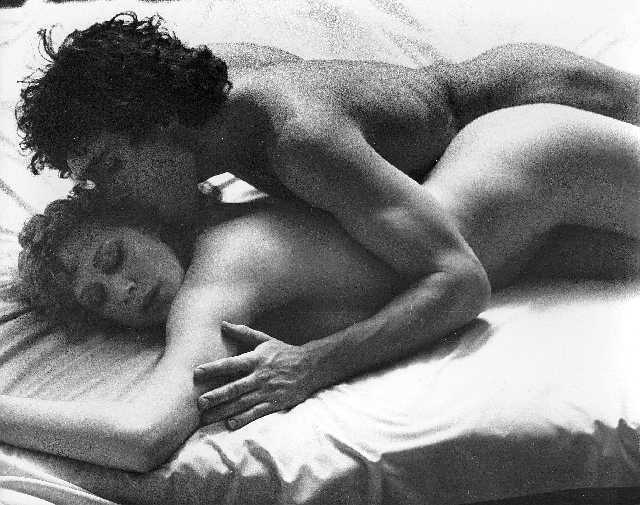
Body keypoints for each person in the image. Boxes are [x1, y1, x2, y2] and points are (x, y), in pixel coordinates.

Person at [15, 12, 640, 429]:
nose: (109, 193)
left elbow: (458, 279)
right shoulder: (212, 96)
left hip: (535, 98)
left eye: (111, 166)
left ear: (160, 125)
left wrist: (312, 364)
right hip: (501, 143)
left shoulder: (297, 140)